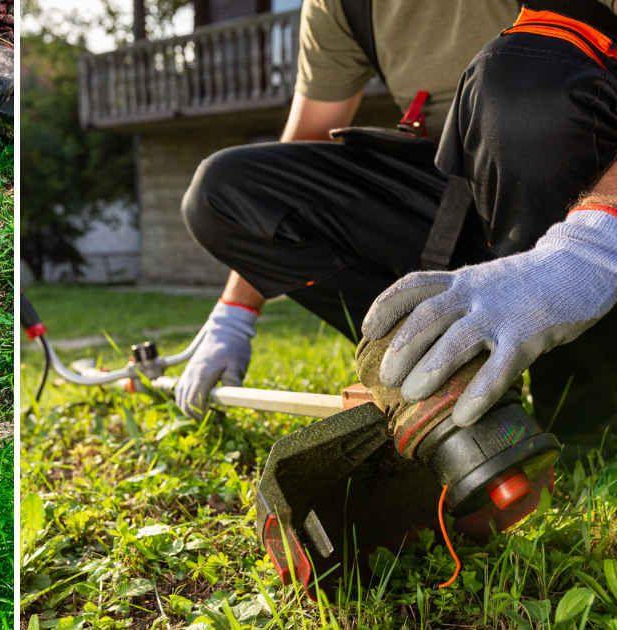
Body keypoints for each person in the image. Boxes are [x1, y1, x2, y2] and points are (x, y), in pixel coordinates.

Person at [176, 0, 617, 448]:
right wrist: (235, 313)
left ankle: (582, 414)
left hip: (584, 196)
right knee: (226, 191)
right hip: (453, 196)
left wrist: (592, 246)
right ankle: (445, 381)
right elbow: (307, 136)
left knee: (523, 76)